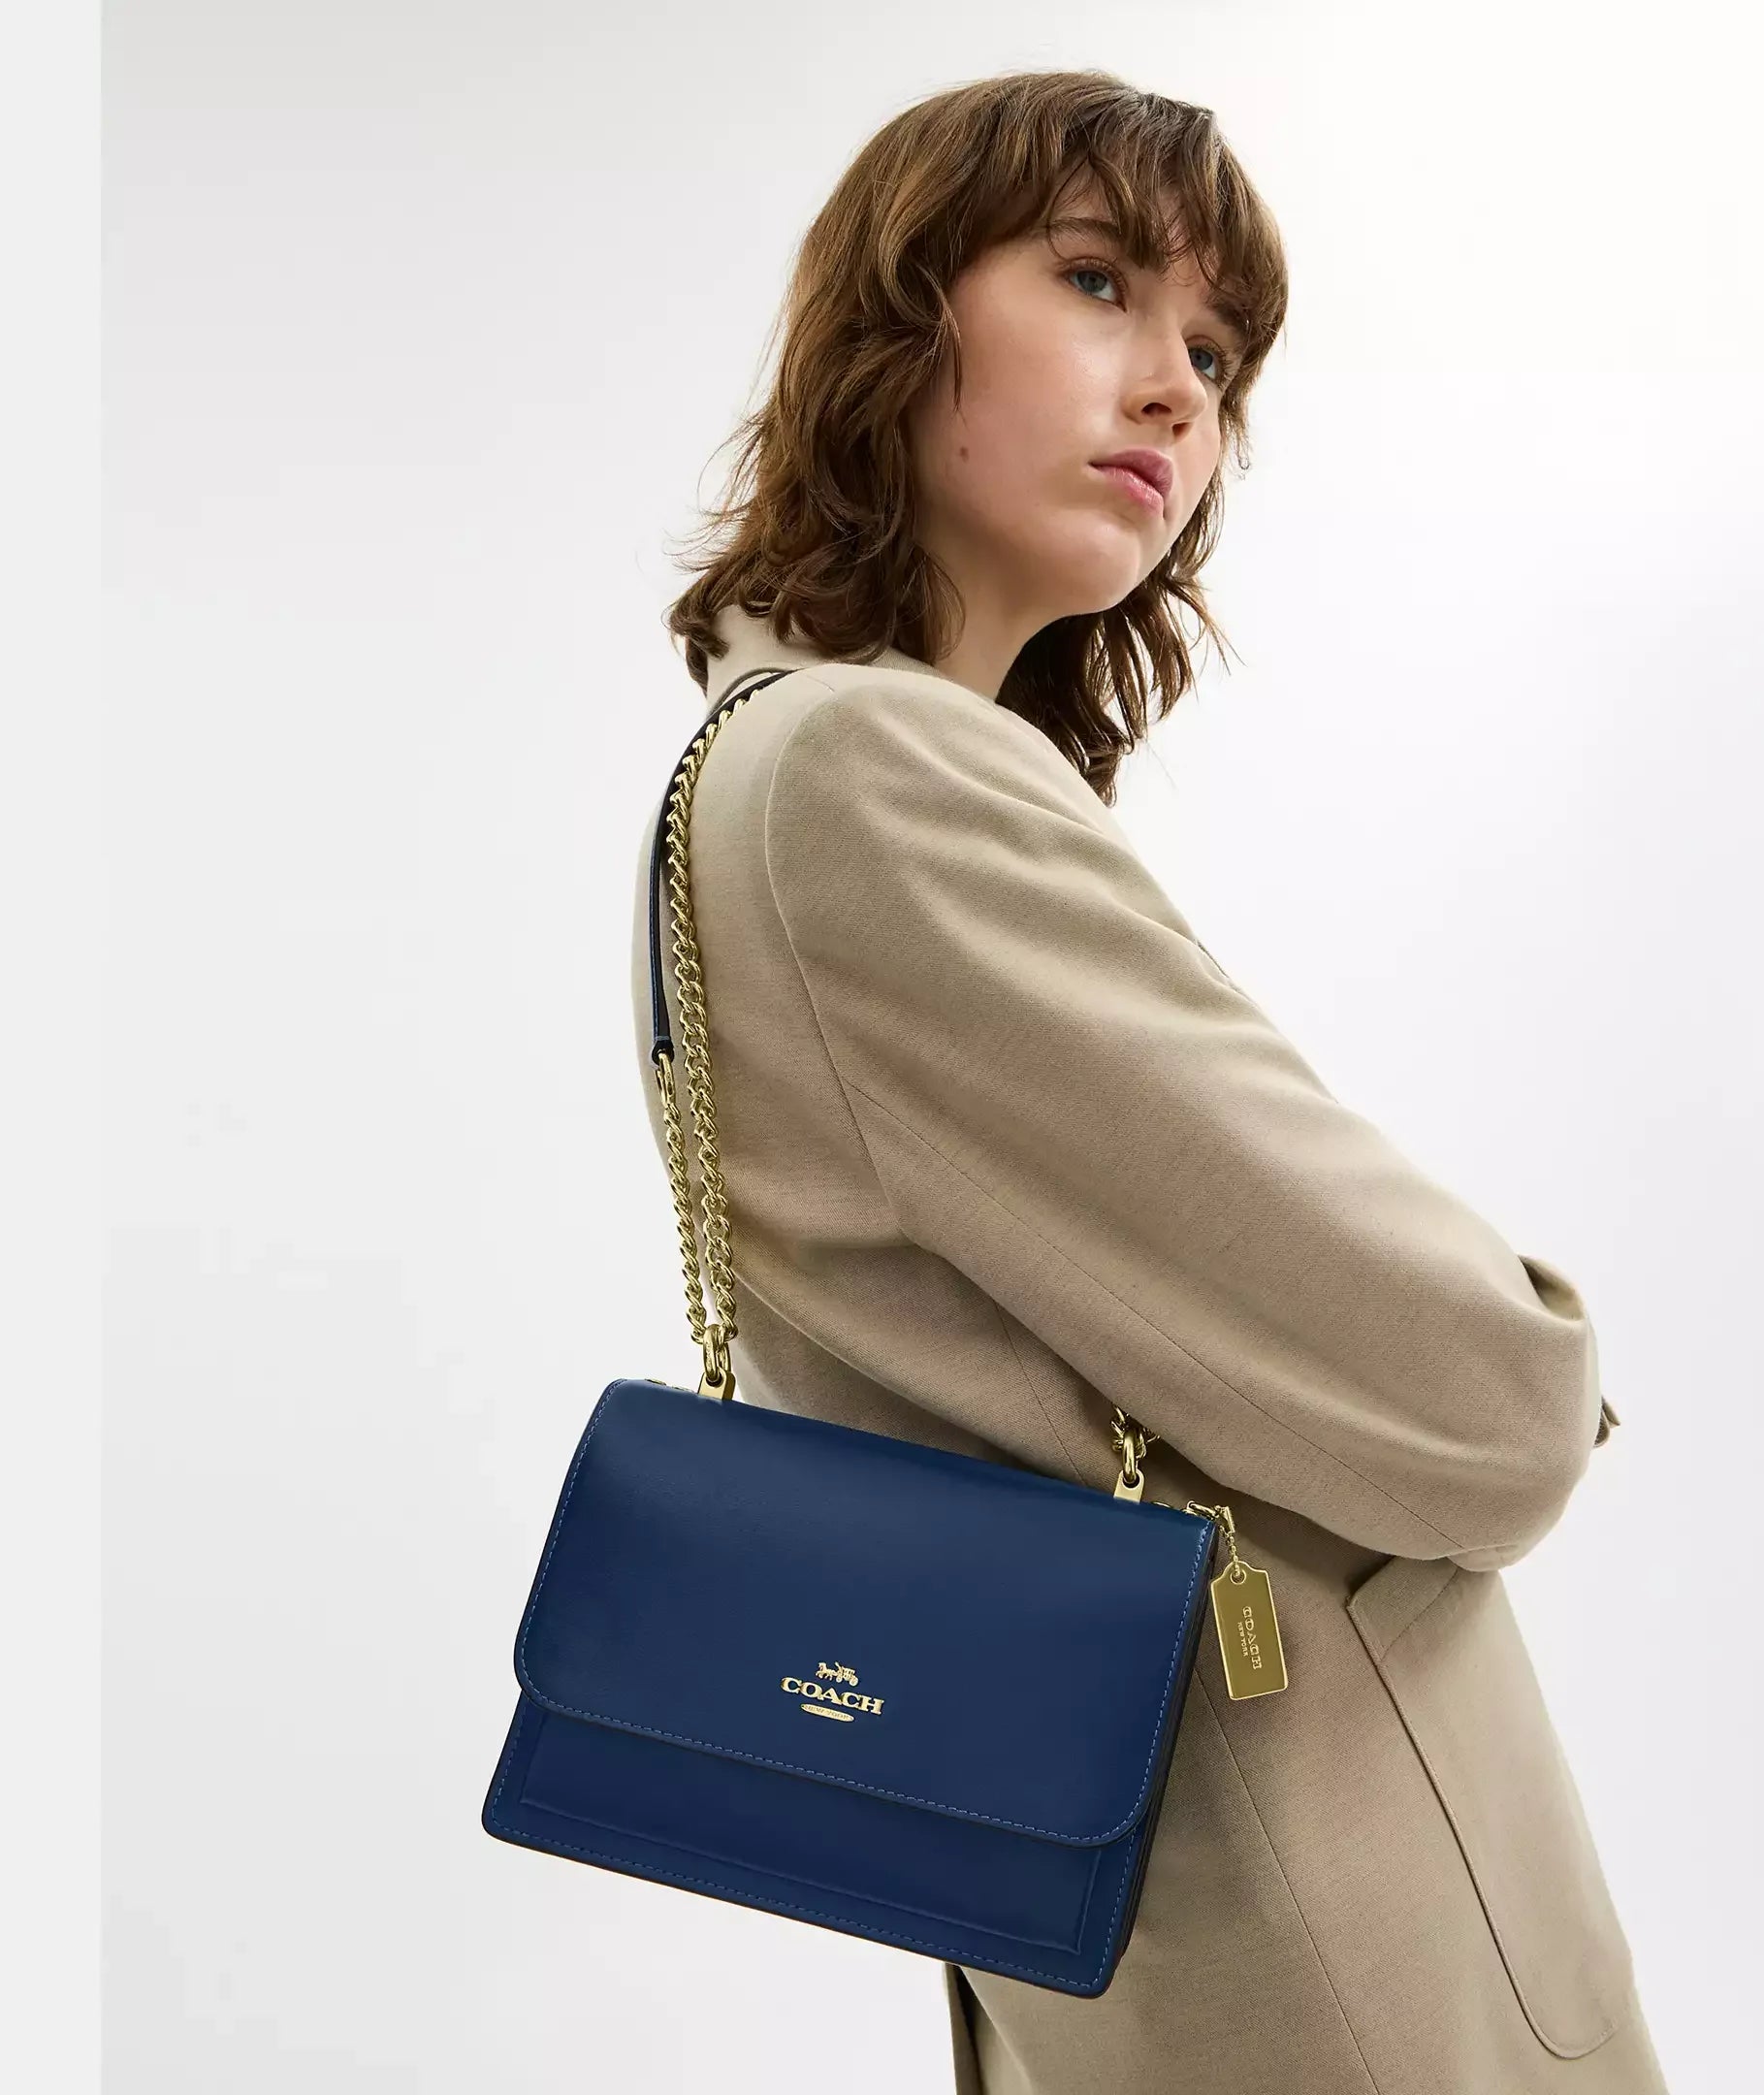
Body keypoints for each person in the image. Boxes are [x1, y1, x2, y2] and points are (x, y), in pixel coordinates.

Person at [633, 65, 1667, 2095]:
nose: (1177, 390)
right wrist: (1540, 1347)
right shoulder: (865, 775)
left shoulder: (761, 761)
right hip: (1314, 1924)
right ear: (894, 319)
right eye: (1098, 281)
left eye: (1216, 348)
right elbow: (1491, 1408)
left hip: (1140, 1901)